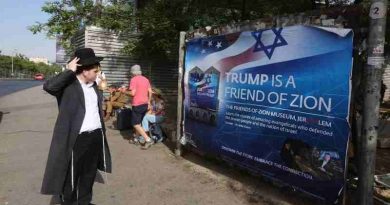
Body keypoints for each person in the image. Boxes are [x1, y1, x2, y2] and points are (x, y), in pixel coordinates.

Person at [41, 48, 112, 205]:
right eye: (95, 70)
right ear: (85, 71)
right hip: (76, 140)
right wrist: (69, 71)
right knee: (72, 177)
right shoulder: (68, 86)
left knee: (88, 174)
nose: (98, 73)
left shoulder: (94, 85)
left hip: (95, 137)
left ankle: (84, 202)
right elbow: (49, 87)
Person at [128, 64, 153, 149]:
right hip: (145, 104)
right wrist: (149, 102)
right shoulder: (146, 79)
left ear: (133, 72)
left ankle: (148, 140)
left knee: (135, 124)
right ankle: (136, 139)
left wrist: (124, 91)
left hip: (137, 104)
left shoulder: (133, 79)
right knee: (138, 122)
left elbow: (132, 93)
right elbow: (150, 91)